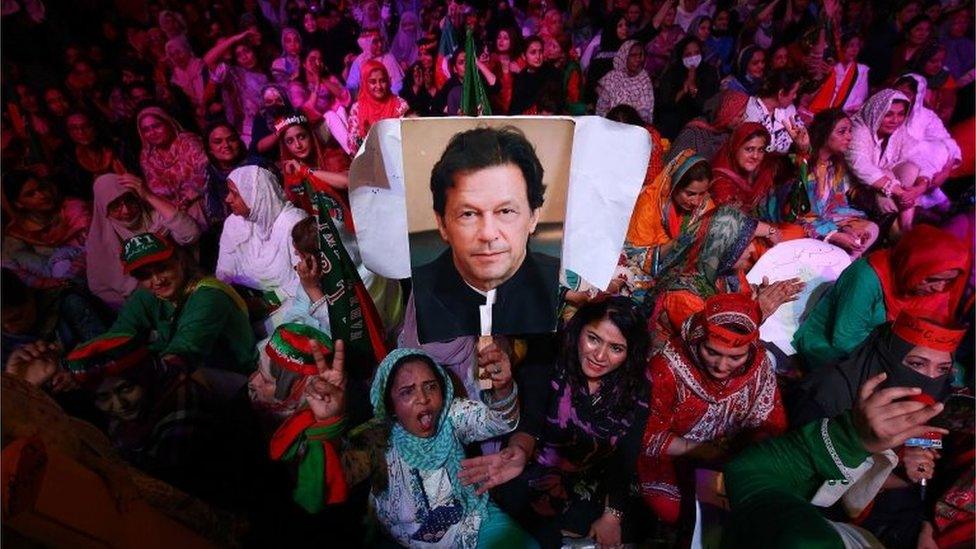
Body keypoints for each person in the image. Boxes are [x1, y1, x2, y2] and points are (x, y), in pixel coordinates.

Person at [270, 346, 530, 546]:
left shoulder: (451, 415)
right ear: (390, 404)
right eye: (407, 392)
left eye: (431, 387)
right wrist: (329, 423)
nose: (423, 399)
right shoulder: (376, 439)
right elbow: (329, 480)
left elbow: (499, 422)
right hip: (405, 541)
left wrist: (503, 388)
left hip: (471, 523)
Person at [460, 297, 651, 547]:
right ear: (580, 329)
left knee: (638, 523)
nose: (600, 356)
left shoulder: (636, 386)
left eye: (616, 348)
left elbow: (625, 455)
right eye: (593, 339)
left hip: (593, 475)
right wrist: (519, 450)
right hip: (536, 465)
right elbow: (531, 422)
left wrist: (612, 516)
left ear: (630, 353)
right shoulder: (550, 355)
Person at [723, 370, 948, 548]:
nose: (929, 376)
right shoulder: (827, 394)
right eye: (917, 364)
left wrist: (852, 440)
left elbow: (751, 471)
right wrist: (860, 442)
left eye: (942, 369)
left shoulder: (802, 538)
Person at [638, 292, 787, 524]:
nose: (721, 366)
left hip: (733, 456)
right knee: (673, 508)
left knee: (757, 505)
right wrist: (703, 451)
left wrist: (745, 458)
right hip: (674, 454)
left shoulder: (759, 366)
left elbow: (770, 422)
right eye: (712, 352)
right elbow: (647, 435)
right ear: (699, 339)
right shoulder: (666, 368)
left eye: (735, 357)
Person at [411, 126, 560, 344]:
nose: (488, 234)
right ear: (442, 223)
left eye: (506, 211)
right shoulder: (415, 294)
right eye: (468, 214)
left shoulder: (562, 288)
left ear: (533, 217)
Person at [794, 224, 970, 371]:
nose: (939, 288)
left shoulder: (941, 288)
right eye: (931, 279)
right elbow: (844, 339)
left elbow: (932, 334)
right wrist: (903, 363)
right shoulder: (867, 277)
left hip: (897, 353)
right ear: (913, 266)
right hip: (835, 348)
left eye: (948, 281)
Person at [109, 232, 256, 374]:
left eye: (162, 269)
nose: (157, 280)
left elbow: (185, 349)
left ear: (179, 260)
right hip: (194, 374)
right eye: (145, 275)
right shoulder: (147, 294)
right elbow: (119, 335)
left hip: (237, 377)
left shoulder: (209, 295)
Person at [649, 205, 802, 339]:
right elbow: (717, 343)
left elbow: (743, 298)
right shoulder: (684, 296)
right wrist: (758, 311)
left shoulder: (728, 275)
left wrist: (757, 295)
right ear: (723, 248)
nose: (752, 249)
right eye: (745, 244)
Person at [86, 173, 201, 309]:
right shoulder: (99, 241)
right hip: (144, 306)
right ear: (104, 209)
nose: (126, 210)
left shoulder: (155, 216)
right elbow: (101, 288)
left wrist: (148, 195)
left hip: (183, 287)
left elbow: (191, 234)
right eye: (115, 206)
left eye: (130, 200)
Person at [620, 150, 714, 300]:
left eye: (702, 193)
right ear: (673, 185)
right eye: (690, 194)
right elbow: (634, 256)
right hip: (644, 274)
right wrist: (677, 243)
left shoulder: (704, 207)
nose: (696, 201)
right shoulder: (649, 206)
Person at [216, 165, 308, 306]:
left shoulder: (293, 222)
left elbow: (305, 280)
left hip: (295, 300)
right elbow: (224, 273)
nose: (227, 199)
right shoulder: (234, 223)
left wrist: (266, 302)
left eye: (235, 194)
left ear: (256, 196)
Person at [793, 108, 879, 258]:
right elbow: (800, 214)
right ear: (824, 133)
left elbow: (837, 206)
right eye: (842, 132)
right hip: (803, 227)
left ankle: (845, 265)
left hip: (827, 222)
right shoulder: (802, 165)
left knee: (869, 230)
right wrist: (833, 234)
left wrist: (846, 228)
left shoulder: (835, 166)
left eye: (850, 131)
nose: (849, 137)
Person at [845, 89, 932, 233]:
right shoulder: (858, 129)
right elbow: (862, 167)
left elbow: (920, 156)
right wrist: (900, 192)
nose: (895, 120)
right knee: (886, 179)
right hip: (856, 188)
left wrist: (919, 188)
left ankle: (906, 228)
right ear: (877, 112)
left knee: (911, 168)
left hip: (889, 188)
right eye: (888, 114)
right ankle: (900, 232)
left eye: (900, 114)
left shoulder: (898, 130)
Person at [2, 171, 90, 290]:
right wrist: (43, 282)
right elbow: (9, 267)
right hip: (58, 285)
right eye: (31, 194)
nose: (42, 195)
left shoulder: (72, 208)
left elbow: (98, 240)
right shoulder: (18, 232)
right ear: (18, 204)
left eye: (41, 188)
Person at [135, 105, 208, 227]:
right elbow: (155, 188)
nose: (152, 133)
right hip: (172, 206)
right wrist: (172, 204)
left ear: (168, 123)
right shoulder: (147, 155)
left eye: (157, 126)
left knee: (193, 214)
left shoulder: (188, 142)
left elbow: (205, 173)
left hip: (199, 198)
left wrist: (186, 199)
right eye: (146, 130)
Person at [203, 29, 269, 146]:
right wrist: (236, 38)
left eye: (246, 51)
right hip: (248, 135)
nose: (244, 57)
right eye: (239, 55)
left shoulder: (269, 71)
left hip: (272, 128)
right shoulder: (235, 74)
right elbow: (208, 60)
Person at [655, 36, 721, 138]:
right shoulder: (672, 73)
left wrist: (693, 87)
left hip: (700, 122)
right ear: (681, 56)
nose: (693, 58)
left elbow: (709, 105)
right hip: (674, 122)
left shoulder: (709, 72)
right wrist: (684, 89)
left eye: (696, 53)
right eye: (688, 55)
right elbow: (666, 103)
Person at [666, 89, 748, 164]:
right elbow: (671, 165)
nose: (743, 119)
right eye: (740, 115)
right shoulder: (694, 133)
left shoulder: (729, 137)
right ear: (727, 114)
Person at [347, 60, 410, 152]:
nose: (379, 86)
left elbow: (406, 138)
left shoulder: (400, 105)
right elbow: (351, 144)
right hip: (367, 159)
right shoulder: (357, 108)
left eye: (382, 81)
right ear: (365, 83)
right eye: (373, 82)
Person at [743, 69, 805, 154]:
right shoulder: (751, 112)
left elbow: (804, 142)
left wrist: (802, 146)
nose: (795, 96)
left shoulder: (790, 109)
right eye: (794, 92)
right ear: (781, 93)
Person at [808, 33, 870, 116]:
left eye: (857, 46)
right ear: (842, 47)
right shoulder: (831, 66)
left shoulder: (861, 70)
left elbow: (860, 97)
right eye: (851, 46)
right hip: (823, 111)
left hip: (845, 114)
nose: (855, 50)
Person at [595, 40, 654, 122]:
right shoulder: (612, 77)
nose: (638, 59)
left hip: (633, 127)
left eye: (641, 55)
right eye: (633, 55)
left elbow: (645, 112)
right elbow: (601, 107)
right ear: (624, 56)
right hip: (609, 124)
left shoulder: (644, 80)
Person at [508, 36, 558, 116]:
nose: (538, 57)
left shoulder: (552, 73)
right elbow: (514, 108)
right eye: (533, 52)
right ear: (524, 56)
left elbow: (554, 103)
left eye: (540, 52)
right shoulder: (521, 78)